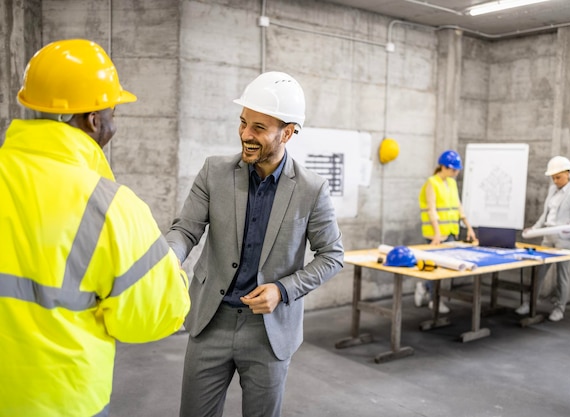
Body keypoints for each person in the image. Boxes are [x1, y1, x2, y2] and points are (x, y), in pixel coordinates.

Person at [0, 39, 190, 417]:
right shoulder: (111, 206)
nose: (112, 124)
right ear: (93, 120)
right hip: (63, 402)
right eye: (112, 112)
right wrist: (175, 276)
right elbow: (150, 319)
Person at [166, 71, 344, 417]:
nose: (246, 135)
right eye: (243, 123)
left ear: (288, 132)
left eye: (259, 128)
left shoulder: (312, 189)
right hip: (210, 321)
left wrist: (282, 289)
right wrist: (169, 257)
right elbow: (186, 229)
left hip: (269, 330)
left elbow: (332, 256)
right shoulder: (213, 172)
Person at [515, 156, 570, 322]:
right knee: (539, 272)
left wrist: (568, 228)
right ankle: (530, 303)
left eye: (558, 177)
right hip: (548, 236)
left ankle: (559, 308)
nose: (555, 180)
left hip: (564, 239)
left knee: (562, 275)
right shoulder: (552, 190)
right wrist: (535, 228)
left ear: (567, 173)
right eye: (553, 177)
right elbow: (545, 215)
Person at [414, 150, 476, 313]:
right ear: (443, 167)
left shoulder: (452, 183)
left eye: (456, 170)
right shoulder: (431, 183)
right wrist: (436, 234)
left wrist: (468, 227)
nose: (455, 173)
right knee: (436, 270)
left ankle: (424, 287)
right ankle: (435, 300)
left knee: (444, 269)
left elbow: (458, 207)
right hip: (435, 235)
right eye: (453, 169)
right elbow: (431, 209)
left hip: (449, 233)